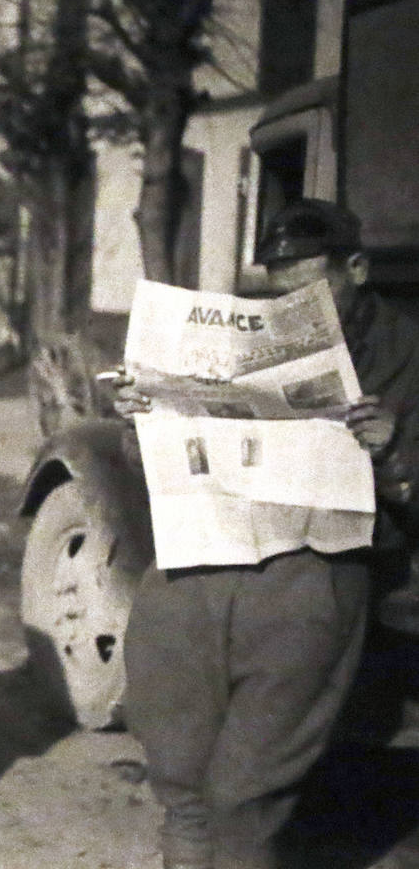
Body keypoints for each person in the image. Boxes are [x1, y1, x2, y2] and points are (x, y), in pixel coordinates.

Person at [113, 198, 419, 869]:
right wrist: (144, 420)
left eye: (312, 286)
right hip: (206, 554)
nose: (293, 304)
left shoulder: (407, 351)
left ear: (357, 269)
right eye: (278, 288)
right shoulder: (239, 337)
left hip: (313, 568)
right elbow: (160, 467)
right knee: (181, 777)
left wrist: (396, 450)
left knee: (242, 796)